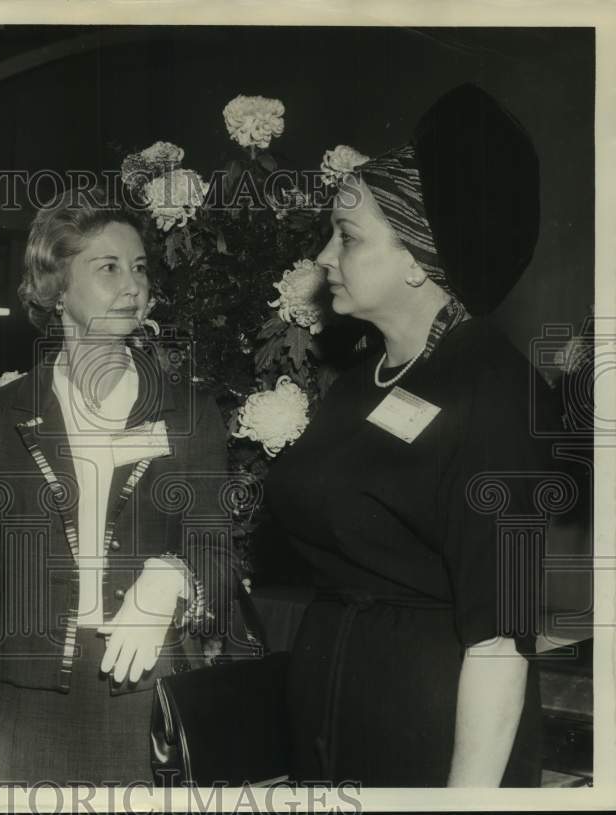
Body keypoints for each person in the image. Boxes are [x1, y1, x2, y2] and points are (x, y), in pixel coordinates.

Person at [264, 84, 547, 786]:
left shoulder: (494, 391)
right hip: (334, 721)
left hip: (433, 737)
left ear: (420, 259)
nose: (325, 257)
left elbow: (501, 640)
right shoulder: (365, 377)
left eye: (349, 237)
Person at [0, 188, 234, 786]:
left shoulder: (190, 415)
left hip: (148, 698)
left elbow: (220, 560)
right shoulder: (3, 413)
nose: (133, 285)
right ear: (56, 289)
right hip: (27, 702)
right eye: (108, 268)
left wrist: (172, 576)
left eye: (141, 267)